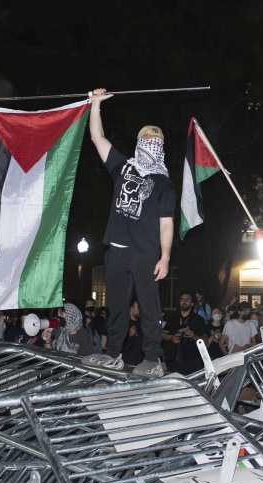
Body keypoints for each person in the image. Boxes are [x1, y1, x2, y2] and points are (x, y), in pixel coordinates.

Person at [90, 88, 176, 378]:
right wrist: (95, 104)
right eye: (148, 140)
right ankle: (112, 354)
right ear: (139, 143)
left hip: (146, 253)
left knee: (149, 308)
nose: (153, 144)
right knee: (116, 307)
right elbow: (97, 139)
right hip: (116, 249)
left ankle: (152, 359)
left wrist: (165, 257)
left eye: (158, 141)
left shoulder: (164, 183)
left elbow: (167, 222)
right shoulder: (122, 166)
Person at [162, 291, 208, 374]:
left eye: (187, 300)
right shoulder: (173, 317)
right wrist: (171, 337)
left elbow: (205, 340)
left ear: (192, 304)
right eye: (182, 299)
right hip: (173, 360)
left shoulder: (198, 319)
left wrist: (194, 336)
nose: (184, 301)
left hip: (192, 361)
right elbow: (161, 334)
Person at [121, 300, 144, 366]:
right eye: (137, 307)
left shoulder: (141, 324)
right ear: (131, 308)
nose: (139, 310)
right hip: (127, 361)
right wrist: (129, 335)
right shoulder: (124, 324)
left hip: (139, 361)